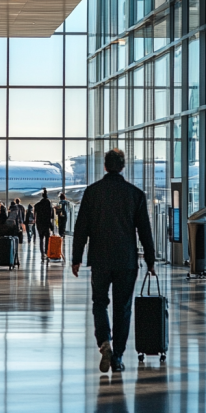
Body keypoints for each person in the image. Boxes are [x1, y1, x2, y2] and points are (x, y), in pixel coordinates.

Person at [72, 149, 156, 374]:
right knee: (123, 308)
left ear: (105, 167)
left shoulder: (92, 193)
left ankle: (104, 342)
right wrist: (151, 260)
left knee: (99, 303)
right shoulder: (135, 194)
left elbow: (81, 228)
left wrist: (76, 258)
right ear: (123, 166)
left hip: (100, 259)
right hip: (126, 260)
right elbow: (144, 231)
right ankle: (117, 356)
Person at [34, 189, 54, 260]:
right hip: (46, 224)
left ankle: (42, 253)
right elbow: (50, 216)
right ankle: (46, 252)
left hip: (39, 224)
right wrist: (51, 226)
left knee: (41, 239)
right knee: (47, 239)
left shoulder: (37, 205)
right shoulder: (48, 204)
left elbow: (35, 215)